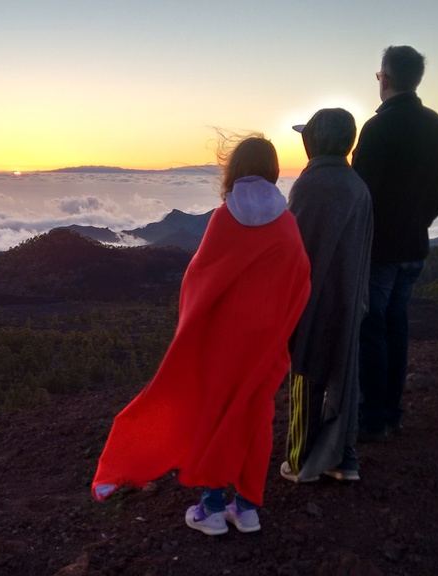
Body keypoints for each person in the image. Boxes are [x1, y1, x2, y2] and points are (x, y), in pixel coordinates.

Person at [91, 135, 311, 536]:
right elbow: (300, 284)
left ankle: (211, 508)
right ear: (274, 171)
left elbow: (200, 278)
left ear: (234, 171)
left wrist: (193, 326)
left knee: (216, 414)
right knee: (255, 415)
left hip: (223, 345)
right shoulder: (287, 224)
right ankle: (246, 509)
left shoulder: (225, 219)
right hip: (267, 347)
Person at [353, 45, 438, 441]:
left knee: (371, 330)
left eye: (379, 77)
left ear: (387, 78)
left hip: (380, 249)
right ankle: (392, 414)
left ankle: (372, 419)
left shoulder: (379, 128)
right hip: (415, 245)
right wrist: (420, 221)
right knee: (396, 328)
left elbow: (360, 192)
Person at [280, 108, 374, 483]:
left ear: (312, 142)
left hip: (313, 298)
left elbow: (292, 246)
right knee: (343, 374)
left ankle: (302, 460)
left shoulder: (310, 185)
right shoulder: (357, 185)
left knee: (306, 371)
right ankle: (344, 457)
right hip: (350, 296)